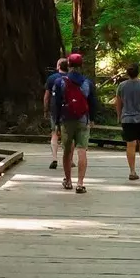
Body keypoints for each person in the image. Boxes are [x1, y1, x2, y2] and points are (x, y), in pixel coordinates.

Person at [50, 52, 95, 194]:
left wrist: (56, 123)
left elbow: (56, 104)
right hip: (83, 119)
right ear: (81, 65)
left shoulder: (60, 82)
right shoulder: (87, 82)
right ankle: (80, 183)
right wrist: (92, 119)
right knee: (82, 150)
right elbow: (93, 102)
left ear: (68, 64)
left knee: (67, 150)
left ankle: (68, 180)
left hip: (66, 119)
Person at [43, 57, 68, 169]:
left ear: (58, 66)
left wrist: (45, 110)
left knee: (54, 133)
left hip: (55, 110)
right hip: (69, 110)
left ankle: (54, 158)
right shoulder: (71, 78)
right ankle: (69, 159)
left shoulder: (52, 78)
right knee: (68, 135)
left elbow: (47, 97)